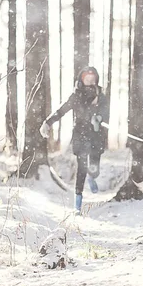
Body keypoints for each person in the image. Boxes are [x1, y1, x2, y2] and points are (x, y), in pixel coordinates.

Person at [39, 66, 109, 213]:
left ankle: (93, 176)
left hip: (96, 136)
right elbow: (62, 111)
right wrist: (48, 122)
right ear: (81, 80)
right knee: (82, 167)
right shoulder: (76, 96)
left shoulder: (101, 96)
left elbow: (105, 112)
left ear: (96, 80)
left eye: (92, 79)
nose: (90, 81)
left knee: (94, 167)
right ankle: (78, 203)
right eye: (87, 79)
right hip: (81, 136)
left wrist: (99, 117)